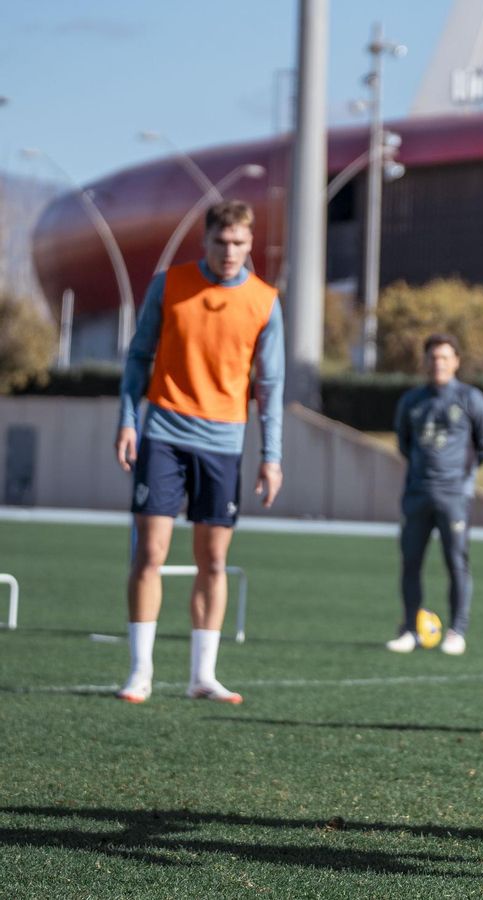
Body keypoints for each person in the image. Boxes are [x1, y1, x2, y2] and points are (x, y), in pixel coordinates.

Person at [113, 199, 284, 705]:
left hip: (224, 442)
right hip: (164, 432)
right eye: (220, 241)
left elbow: (270, 387)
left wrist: (271, 455)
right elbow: (138, 356)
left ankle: (202, 676)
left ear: (250, 244)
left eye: (239, 243)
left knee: (213, 561)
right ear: (205, 241)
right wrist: (128, 421)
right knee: (150, 553)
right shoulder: (170, 284)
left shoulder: (265, 301)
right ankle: (140, 671)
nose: (229, 252)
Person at [386, 334, 483, 656]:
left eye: (445, 357)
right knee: (411, 562)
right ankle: (409, 629)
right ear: (425, 362)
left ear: (456, 362)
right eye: (433, 357)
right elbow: (403, 443)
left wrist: (463, 475)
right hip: (417, 494)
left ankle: (456, 631)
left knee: (456, 563)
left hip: (454, 496)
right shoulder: (412, 400)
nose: (439, 363)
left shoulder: (470, 397)